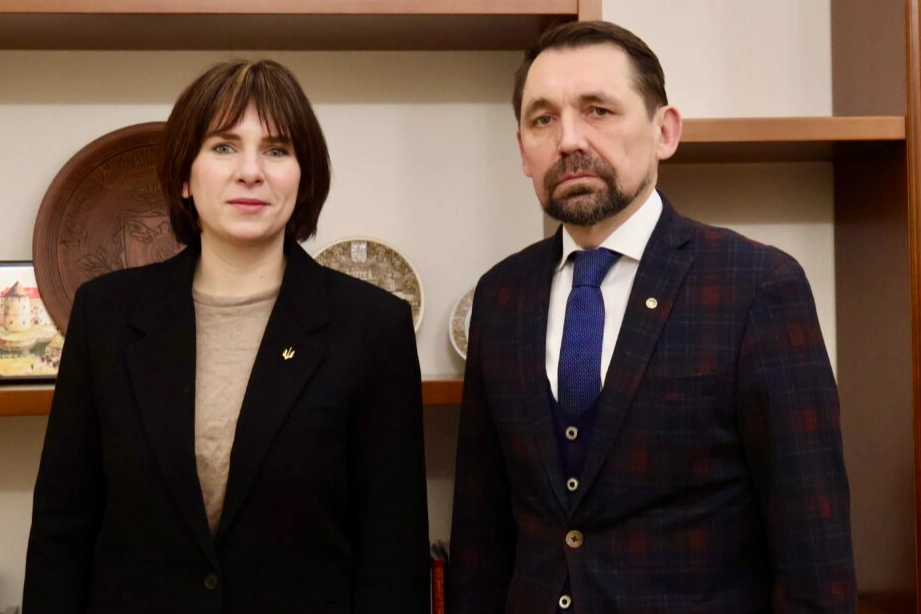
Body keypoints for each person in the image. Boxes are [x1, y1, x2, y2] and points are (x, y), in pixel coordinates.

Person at [448, 20, 855, 614]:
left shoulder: (757, 285)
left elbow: (813, 552)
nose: (568, 140)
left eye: (598, 111)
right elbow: (479, 539)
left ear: (664, 131)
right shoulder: (501, 296)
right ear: (522, 151)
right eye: (543, 119)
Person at [23, 59, 431, 614]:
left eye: (277, 150)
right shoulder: (106, 315)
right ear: (183, 178)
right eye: (223, 147)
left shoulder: (373, 326)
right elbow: (61, 530)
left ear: (304, 178)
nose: (250, 172)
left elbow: (393, 555)